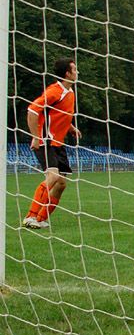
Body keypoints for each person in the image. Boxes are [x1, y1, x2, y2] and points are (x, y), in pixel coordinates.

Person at [22, 58, 81, 229]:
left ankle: (40, 219)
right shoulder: (54, 91)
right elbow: (32, 110)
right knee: (53, 176)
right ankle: (30, 216)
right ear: (67, 74)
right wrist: (35, 137)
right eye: (75, 69)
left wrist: (70, 127)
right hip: (45, 140)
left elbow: (57, 113)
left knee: (61, 183)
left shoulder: (70, 93)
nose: (77, 72)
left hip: (58, 143)